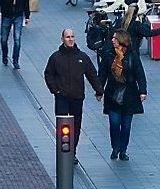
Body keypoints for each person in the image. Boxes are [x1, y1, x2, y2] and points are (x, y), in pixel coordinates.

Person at [44, 29, 104, 153]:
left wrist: (99, 91)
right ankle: (63, 151)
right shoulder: (56, 57)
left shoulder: (82, 57)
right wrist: (55, 91)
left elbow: (92, 74)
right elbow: (48, 74)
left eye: (72, 37)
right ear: (62, 39)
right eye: (67, 37)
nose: (70, 39)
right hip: (62, 98)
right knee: (63, 125)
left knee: (76, 126)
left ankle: (72, 151)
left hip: (77, 98)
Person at [98, 31, 147, 161]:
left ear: (121, 40)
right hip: (112, 93)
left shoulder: (132, 56)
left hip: (129, 94)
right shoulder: (108, 55)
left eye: (115, 38)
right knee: (114, 123)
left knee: (126, 125)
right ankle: (115, 147)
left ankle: (123, 150)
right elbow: (102, 74)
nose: (112, 40)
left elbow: (140, 74)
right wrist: (99, 90)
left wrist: (143, 91)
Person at [0, 0, 30, 69]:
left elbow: (26, 1)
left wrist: (27, 15)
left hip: (18, 15)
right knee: (3, 39)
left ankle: (15, 60)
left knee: (17, 39)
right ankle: (4, 56)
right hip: (6, 15)